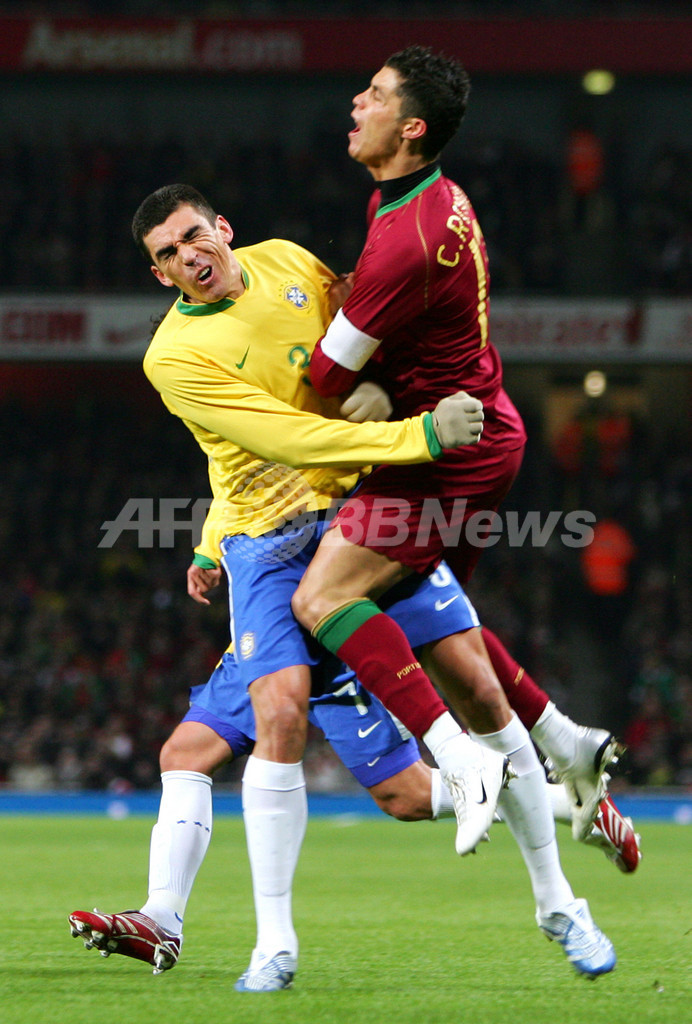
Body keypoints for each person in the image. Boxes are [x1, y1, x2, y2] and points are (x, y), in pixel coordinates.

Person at [103, 182, 615, 986]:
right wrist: (414, 432)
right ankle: (272, 945)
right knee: (275, 715)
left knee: (476, 691)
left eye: (192, 237)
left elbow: (354, 343)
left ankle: (563, 896)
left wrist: (383, 387)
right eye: (166, 255)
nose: (186, 258)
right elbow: (279, 435)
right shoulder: (172, 355)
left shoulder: (286, 263)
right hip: (271, 546)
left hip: (357, 512)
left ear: (223, 228)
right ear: (160, 274)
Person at [290, 46, 617, 974]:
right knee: (454, 651)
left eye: (378, 95)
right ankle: (565, 760)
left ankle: (479, 761)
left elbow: (322, 375)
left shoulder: (400, 235)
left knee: (327, 602)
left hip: (443, 460)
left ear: (413, 128)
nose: (358, 101)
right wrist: (385, 384)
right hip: (469, 434)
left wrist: (361, 385)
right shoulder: (430, 198)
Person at [69, 559, 640, 984]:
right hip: (269, 609)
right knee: (186, 753)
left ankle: (561, 807)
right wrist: (207, 545)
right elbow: (234, 472)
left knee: (407, 795)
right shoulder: (234, 416)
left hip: (333, 616)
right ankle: (162, 916)